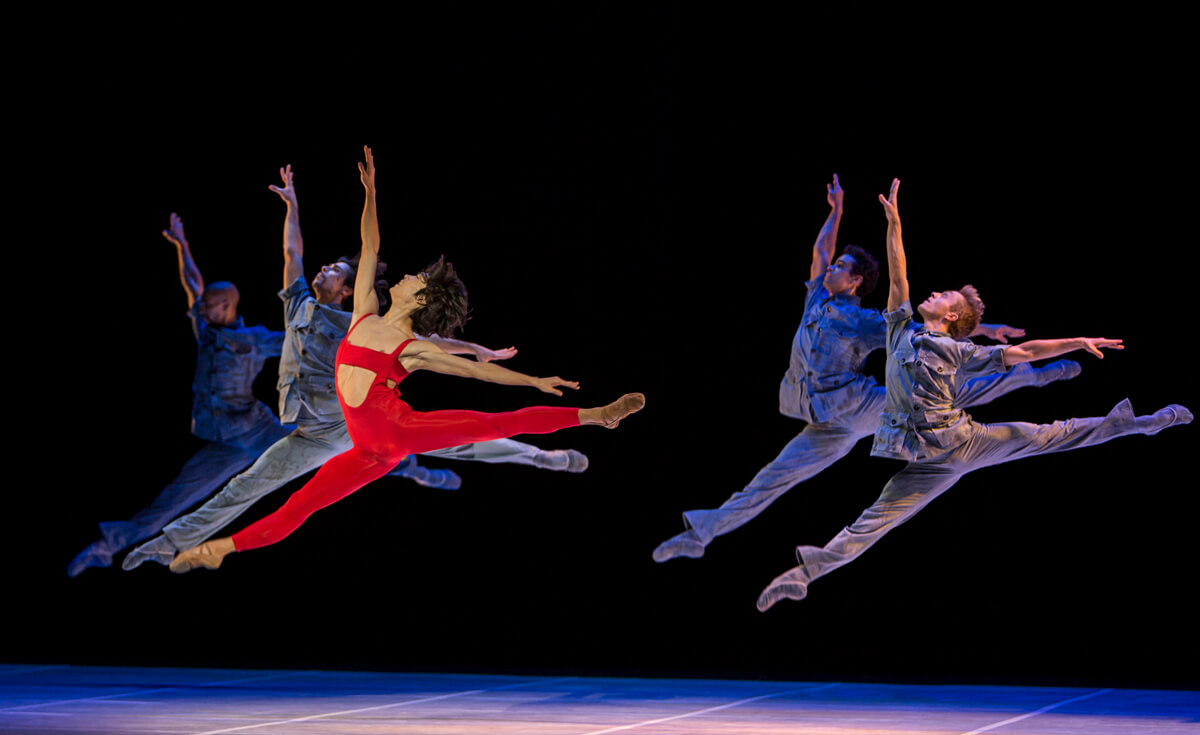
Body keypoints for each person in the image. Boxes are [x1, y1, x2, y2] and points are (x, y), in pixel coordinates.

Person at [167, 146, 644, 572]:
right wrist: (371, 192)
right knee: (301, 506)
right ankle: (220, 549)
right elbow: (370, 244)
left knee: (497, 424)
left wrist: (534, 380)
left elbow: (474, 369)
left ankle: (596, 415)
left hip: (398, 433)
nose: (407, 274)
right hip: (365, 452)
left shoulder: (411, 349)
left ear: (418, 301)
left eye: (416, 278)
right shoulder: (363, 310)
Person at [756, 179, 1191, 610]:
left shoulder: (957, 347)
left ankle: (1139, 423)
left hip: (964, 442)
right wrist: (895, 223)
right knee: (874, 521)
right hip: (924, 461)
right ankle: (804, 575)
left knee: (1050, 434)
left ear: (950, 315)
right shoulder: (897, 328)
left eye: (943, 294)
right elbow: (898, 272)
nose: (934, 291)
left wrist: (1076, 340)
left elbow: (1022, 351)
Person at [654, 175, 1077, 562]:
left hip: (862, 405)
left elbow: (924, 332)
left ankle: (1037, 374)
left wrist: (984, 328)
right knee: (769, 479)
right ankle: (700, 536)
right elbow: (820, 250)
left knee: (943, 389)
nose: (832, 268)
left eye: (841, 268)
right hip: (824, 424)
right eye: (835, 266)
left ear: (855, 282)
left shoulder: (864, 320)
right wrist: (835, 211)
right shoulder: (816, 298)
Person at [67, 214, 297, 576]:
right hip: (226, 442)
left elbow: (299, 344)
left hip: (259, 432)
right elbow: (193, 284)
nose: (200, 309)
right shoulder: (205, 328)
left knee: (325, 449)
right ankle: (104, 547)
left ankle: (400, 462)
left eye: (208, 305)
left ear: (226, 307)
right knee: (173, 499)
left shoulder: (252, 339)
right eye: (202, 305)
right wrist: (182, 245)